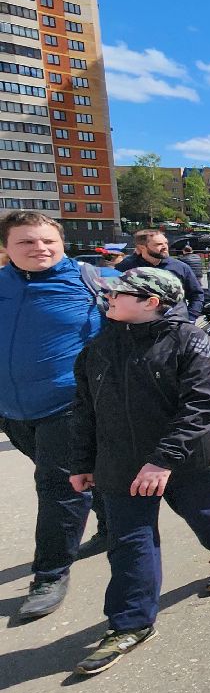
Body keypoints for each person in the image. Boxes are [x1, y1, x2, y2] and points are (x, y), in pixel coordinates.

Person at [69, 267, 210, 675]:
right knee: (129, 542)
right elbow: (84, 410)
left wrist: (163, 460)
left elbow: (201, 405)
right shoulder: (97, 348)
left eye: (118, 293)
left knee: (206, 515)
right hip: (121, 464)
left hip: (187, 458)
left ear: (151, 302)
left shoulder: (191, 341)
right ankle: (130, 625)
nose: (108, 297)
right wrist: (81, 462)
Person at [0, 211, 110, 620]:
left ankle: (49, 574)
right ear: (6, 247)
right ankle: (111, 524)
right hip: (12, 411)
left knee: (57, 487)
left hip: (69, 407)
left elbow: (151, 316)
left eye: (48, 240)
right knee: (74, 478)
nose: (40, 248)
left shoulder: (90, 282)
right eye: (26, 242)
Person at [118, 229, 205, 320]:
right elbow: (114, 294)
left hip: (173, 323)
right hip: (137, 322)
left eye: (166, 243)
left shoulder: (180, 267)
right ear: (142, 247)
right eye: (158, 244)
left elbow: (197, 295)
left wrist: (190, 318)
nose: (165, 247)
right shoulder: (126, 267)